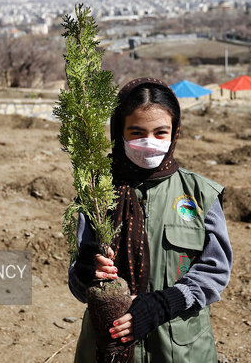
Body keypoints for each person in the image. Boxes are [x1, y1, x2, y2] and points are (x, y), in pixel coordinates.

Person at [68, 77, 233, 362]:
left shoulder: (200, 195)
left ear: (175, 131)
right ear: (119, 132)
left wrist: (163, 304)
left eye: (160, 132)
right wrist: (87, 271)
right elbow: (77, 283)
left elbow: (215, 270)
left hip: (181, 349)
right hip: (109, 346)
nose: (149, 142)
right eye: (136, 132)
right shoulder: (95, 195)